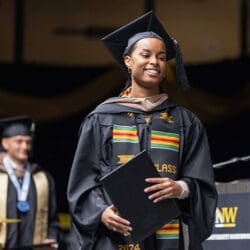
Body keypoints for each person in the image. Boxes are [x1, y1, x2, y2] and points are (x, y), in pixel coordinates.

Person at [67, 11, 218, 250]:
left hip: (169, 236)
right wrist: (101, 212)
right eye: (145, 55)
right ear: (128, 61)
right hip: (117, 236)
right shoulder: (102, 119)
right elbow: (83, 183)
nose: (154, 62)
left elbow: (202, 182)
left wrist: (180, 188)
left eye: (161, 57)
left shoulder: (185, 122)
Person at [0, 116, 59, 249]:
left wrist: (53, 239)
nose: (25, 146)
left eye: (28, 142)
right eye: (19, 141)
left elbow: (53, 219)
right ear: (5, 143)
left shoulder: (42, 177)